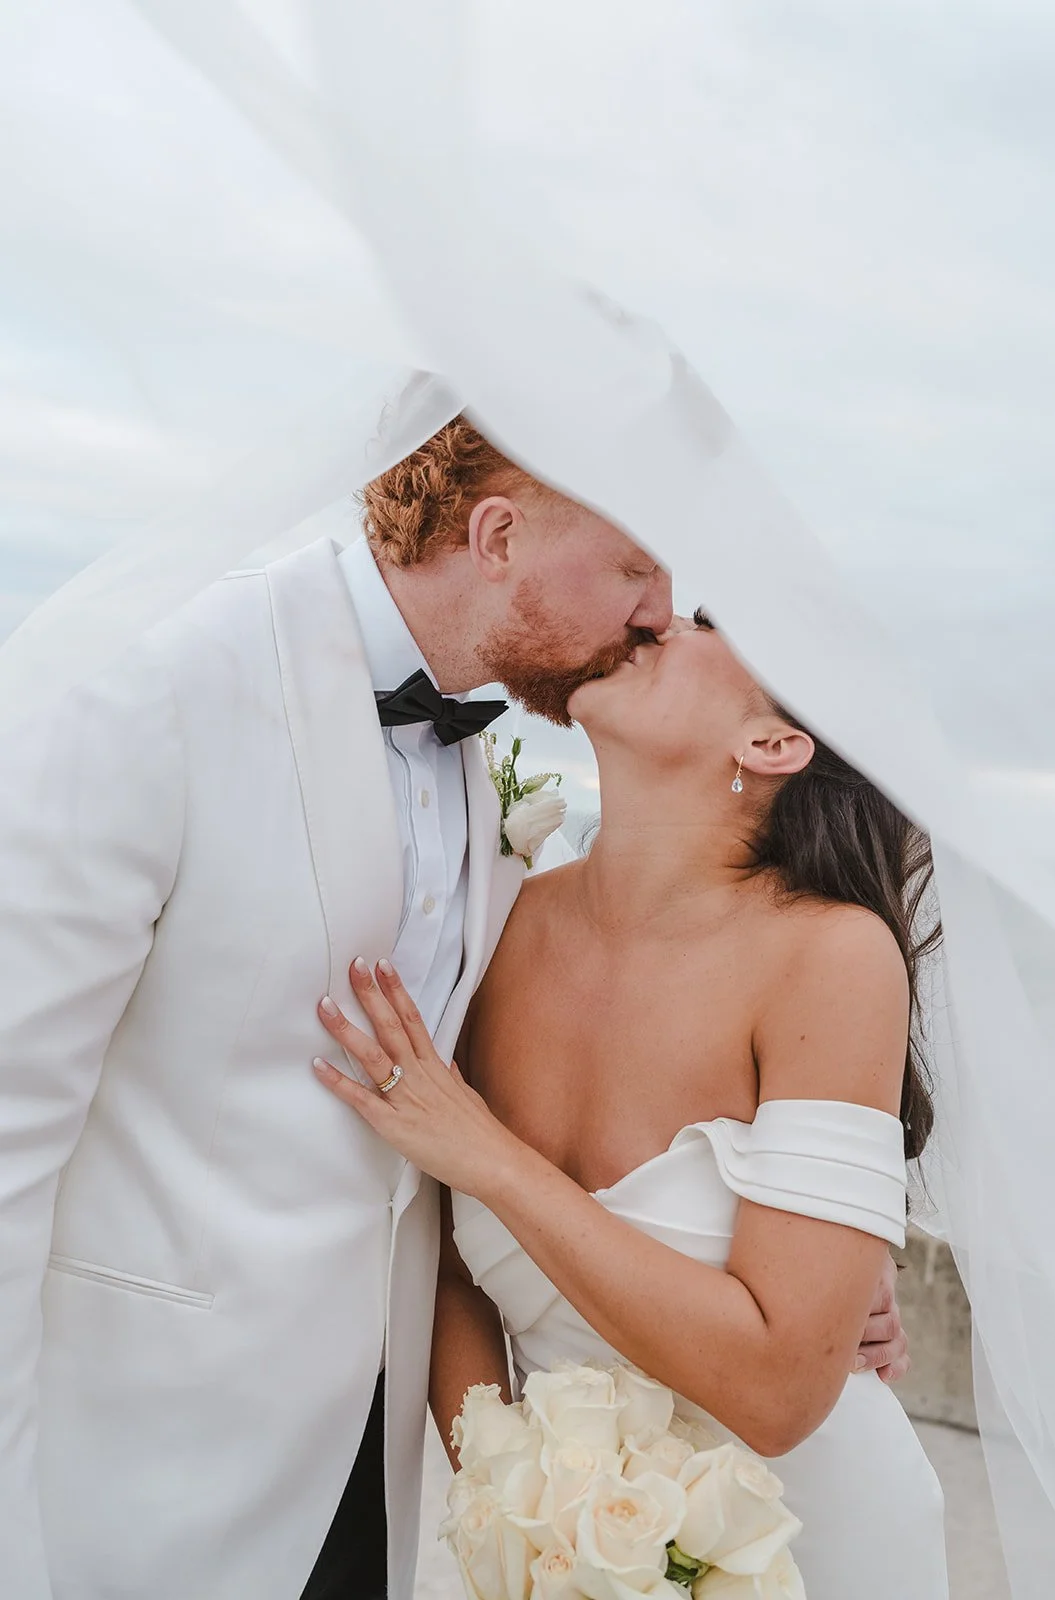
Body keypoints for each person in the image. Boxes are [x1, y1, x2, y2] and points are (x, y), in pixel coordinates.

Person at [0, 408, 905, 1600]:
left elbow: (427, 1168)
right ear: (494, 535)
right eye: (640, 566)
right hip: (139, 1473)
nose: (657, 610)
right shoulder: (160, 678)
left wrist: (817, 1250)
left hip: (390, 1494)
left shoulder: (482, 797)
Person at [314, 611, 949, 1597]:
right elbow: (444, 1273)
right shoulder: (498, 915)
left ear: (769, 744)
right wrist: (522, 1510)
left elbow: (781, 1391)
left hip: (811, 1543)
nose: (653, 617)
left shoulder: (828, 954)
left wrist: (490, 1157)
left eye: (704, 622)